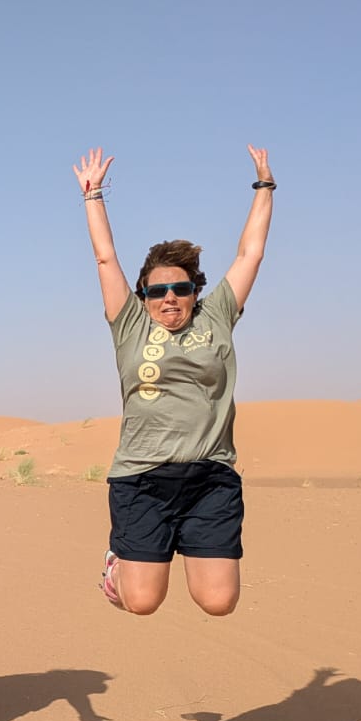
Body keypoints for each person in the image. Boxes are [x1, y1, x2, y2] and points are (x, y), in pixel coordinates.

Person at [73, 145, 276, 615]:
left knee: (219, 602)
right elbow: (105, 259)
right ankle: (116, 567)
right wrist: (92, 195)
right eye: (158, 291)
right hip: (142, 478)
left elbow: (251, 253)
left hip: (210, 476)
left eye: (180, 289)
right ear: (143, 296)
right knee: (142, 602)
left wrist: (265, 186)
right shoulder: (130, 324)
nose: (169, 298)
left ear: (195, 292)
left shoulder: (216, 315)